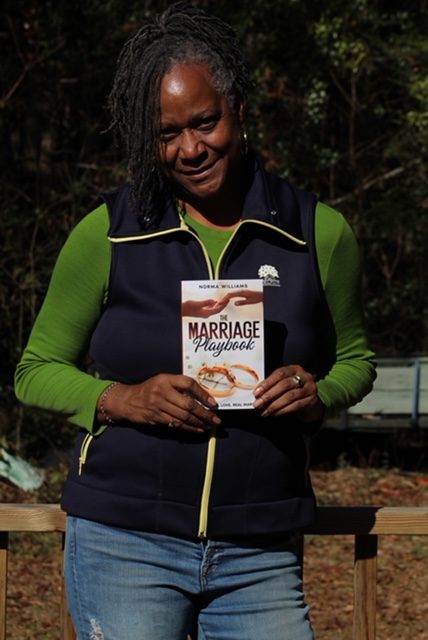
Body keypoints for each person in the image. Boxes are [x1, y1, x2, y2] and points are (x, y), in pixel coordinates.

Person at [15, 3, 376, 639]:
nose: (190, 149)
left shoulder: (317, 232)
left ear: (238, 108)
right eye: (167, 133)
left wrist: (318, 395)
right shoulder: (108, 232)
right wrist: (122, 398)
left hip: (259, 550)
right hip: (124, 543)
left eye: (206, 122)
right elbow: (35, 370)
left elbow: (356, 361)